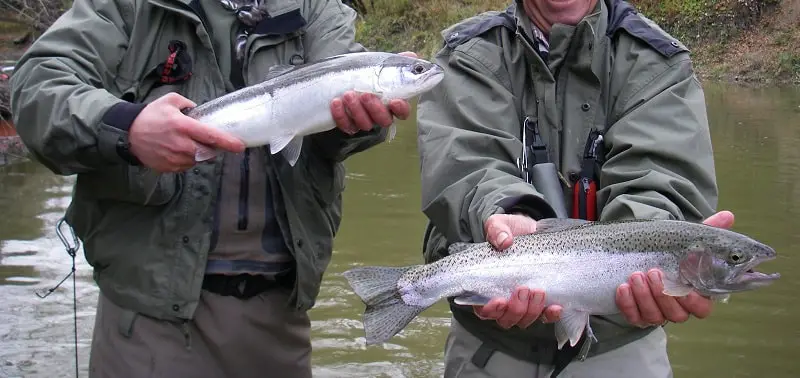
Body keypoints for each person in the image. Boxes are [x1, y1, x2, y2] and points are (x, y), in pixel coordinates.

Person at [9, 0, 416, 377]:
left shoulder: (316, 8)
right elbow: (37, 85)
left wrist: (355, 127)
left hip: (280, 318)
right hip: (149, 320)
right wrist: (126, 127)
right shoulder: (129, 5)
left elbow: (327, 138)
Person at [416, 0, 731, 376]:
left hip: (620, 351)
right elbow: (464, 165)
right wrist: (508, 214)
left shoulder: (657, 60)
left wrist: (655, 259)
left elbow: (662, 182)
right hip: (488, 350)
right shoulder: (468, 53)